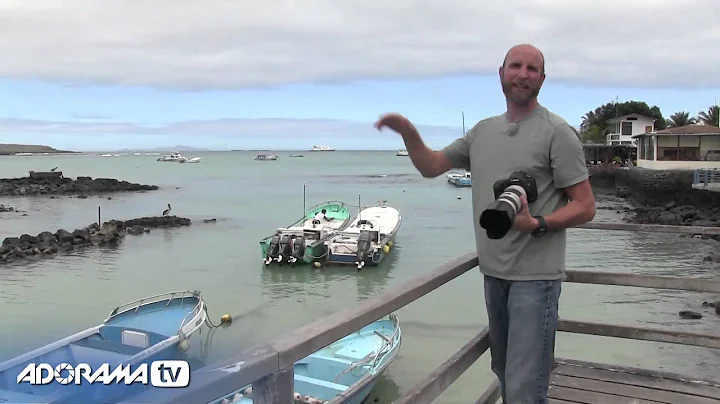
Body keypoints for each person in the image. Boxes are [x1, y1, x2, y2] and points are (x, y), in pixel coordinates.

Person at [374, 44, 596, 403]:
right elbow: (431, 166)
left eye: (532, 68)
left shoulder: (558, 133)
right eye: (515, 66)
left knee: (526, 386)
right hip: (494, 275)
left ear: (542, 78)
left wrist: (535, 222)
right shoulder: (482, 132)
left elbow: (585, 206)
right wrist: (408, 132)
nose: (522, 73)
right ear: (501, 73)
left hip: (536, 281)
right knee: (505, 374)